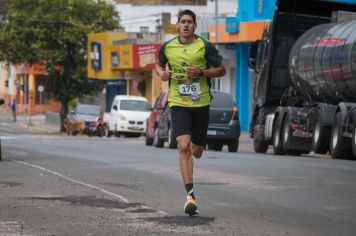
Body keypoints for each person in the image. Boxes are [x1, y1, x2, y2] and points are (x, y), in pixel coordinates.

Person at [155, 9, 226, 216]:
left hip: (201, 103)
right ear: (178, 25)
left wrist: (202, 72)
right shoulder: (168, 47)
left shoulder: (205, 46)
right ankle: (190, 196)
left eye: (189, 22)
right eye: (182, 22)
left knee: (196, 151)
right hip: (178, 102)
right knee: (183, 146)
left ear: (195, 26)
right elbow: (158, 65)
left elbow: (222, 69)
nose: (186, 25)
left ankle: (191, 157)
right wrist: (162, 73)